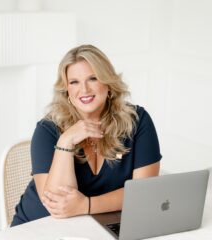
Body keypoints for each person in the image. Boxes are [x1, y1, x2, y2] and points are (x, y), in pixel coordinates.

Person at [11, 44, 162, 226]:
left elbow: (144, 194)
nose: (84, 89)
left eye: (93, 78)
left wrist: (87, 205)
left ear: (108, 83)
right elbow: (57, 203)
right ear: (66, 89)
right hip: (39, 226)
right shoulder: (47, 129)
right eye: (74, 82)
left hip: (97, 225)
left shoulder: (137, 121)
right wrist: (65, 142)